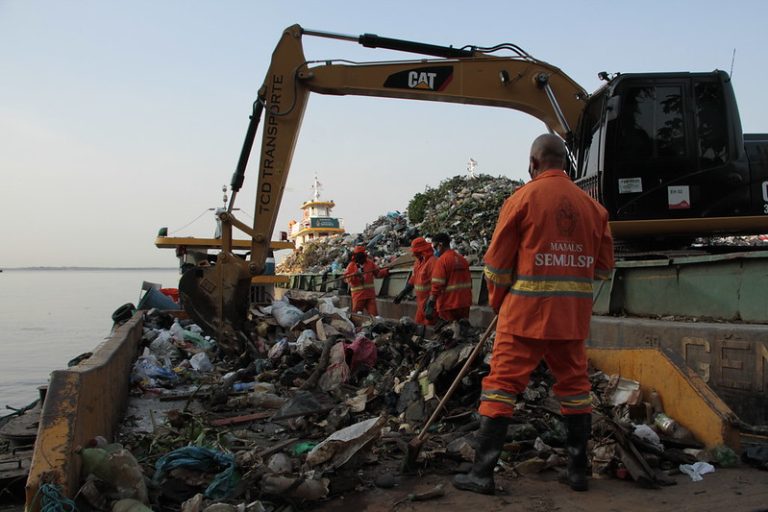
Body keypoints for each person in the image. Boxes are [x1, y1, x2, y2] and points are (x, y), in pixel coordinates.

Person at [453, 134, 614, 495]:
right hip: (570, 321)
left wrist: (500, 303)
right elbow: (603, 270)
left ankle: (482, 474)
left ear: (533, 164)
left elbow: (495, 267)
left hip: (522, 317)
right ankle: (577, 472)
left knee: (500, 389)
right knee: (575, 389)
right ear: (566, 165)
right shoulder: (594, 209)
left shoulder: (521, 200)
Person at [425, 233, 473, 341]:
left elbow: (437, 284)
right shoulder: (462, 259)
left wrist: (431, 302)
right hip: (464, 303)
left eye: (434, 246)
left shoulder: (442, 261)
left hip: (448, 304)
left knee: (449, 334)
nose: (434, 250)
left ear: (440, 245)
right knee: (463, 330)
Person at [393, 237, 436, 326]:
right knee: (417, 326)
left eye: (416, 252)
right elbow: (413, 279)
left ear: (421, 251)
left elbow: (437, 285)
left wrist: (431, 304)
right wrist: (403, 293)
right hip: (421, 303)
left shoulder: (433, 262)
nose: (414, 254)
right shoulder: (418, 262)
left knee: (429, 329)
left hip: (430, 303)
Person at [344, 245, 389, 315]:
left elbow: (378, 273)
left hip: (369, 295)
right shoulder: (351, 266)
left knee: (374, 315)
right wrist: (354, 275)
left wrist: (386, 271)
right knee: (357, 316)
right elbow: (346, 279)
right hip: (358, 296)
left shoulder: (370, 263)